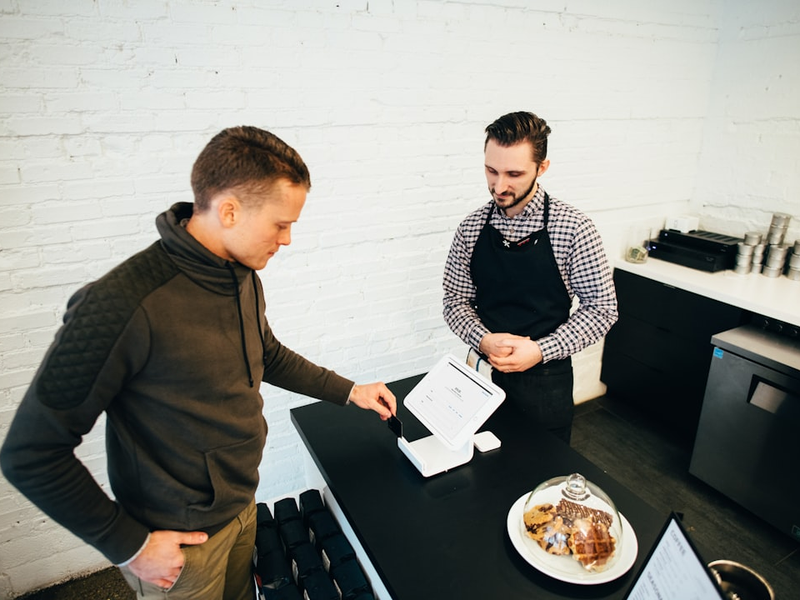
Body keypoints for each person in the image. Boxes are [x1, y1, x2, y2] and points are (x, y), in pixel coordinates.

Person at [0, 126, 397, 600]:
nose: (288, 239)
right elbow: (30, 454)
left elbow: (266, 353)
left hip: (241, 508)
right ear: (229, 211)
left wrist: (349, 391)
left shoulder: (241, 274)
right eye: (280, 224)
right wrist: (128, 545)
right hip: (178, 544)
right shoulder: (118, 305)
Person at [442, 111, 617, 444]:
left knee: (540, 469)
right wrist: (483, 339)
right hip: (481, 375)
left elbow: (602, 310)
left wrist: (539, 350)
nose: (499, 186)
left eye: (514, 174)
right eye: (491, 170)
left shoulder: (574, 229)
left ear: (542, 167)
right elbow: (455, 300)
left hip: (545, 383)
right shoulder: (471, 228)